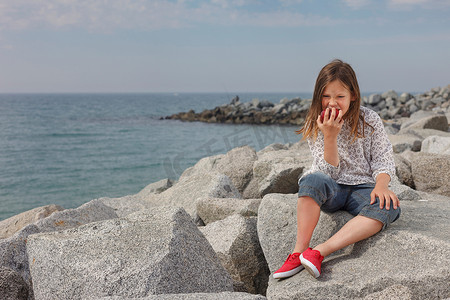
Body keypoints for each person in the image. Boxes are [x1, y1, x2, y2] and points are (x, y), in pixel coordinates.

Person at [273, 59, 401, 280]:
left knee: (389, 207)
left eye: (340, 96)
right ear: (318, 96)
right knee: (311, 180)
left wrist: (381, 185)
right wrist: (329, 136)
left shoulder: (369, 119)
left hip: (363, 187)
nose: (332, 102)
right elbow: (326, 172)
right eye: (326, 96)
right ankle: (298, 251)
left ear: (353, 95)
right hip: (331, 187)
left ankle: (318, 252)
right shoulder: (316, 121)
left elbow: (383, 158)